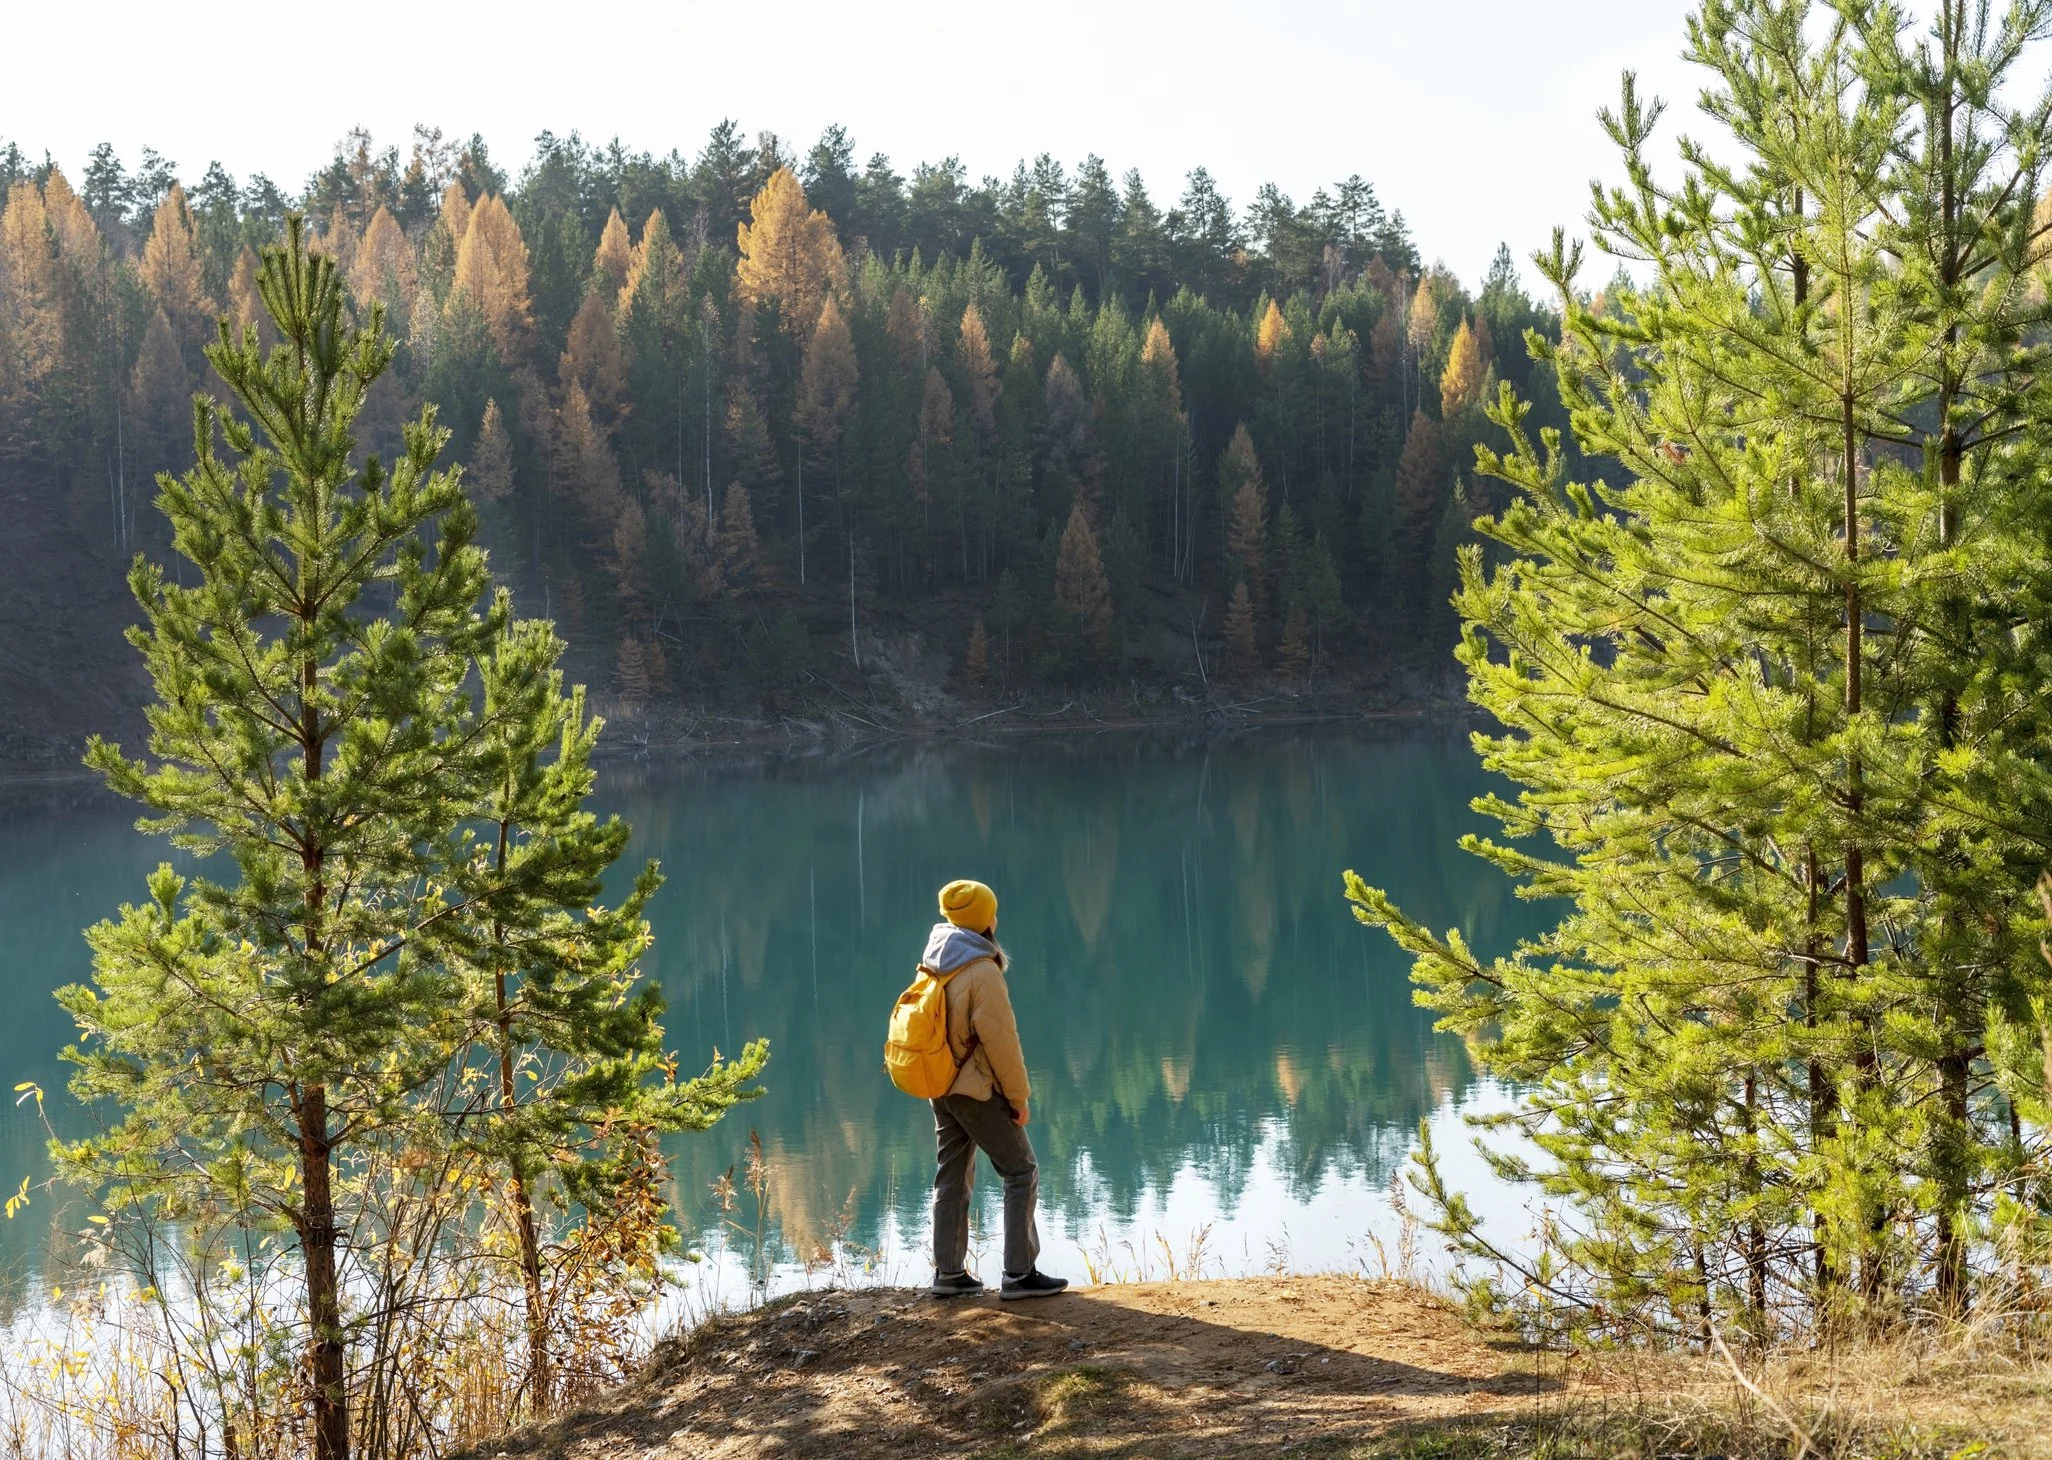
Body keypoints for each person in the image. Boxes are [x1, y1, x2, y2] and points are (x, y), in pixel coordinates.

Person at [921, 879, 1068, 1301]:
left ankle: (949, 1273)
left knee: (952, 1175)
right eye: (993, 913)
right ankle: (1019, 1275)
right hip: (976, 1090)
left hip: (941, 1084)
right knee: (1021, 1171)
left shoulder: (935, 959)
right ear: (984, 921)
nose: (997, 919)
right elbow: (1002, 1044)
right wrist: (1018, 1099)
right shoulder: (981, 970)